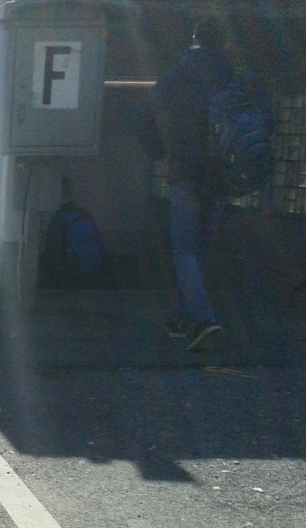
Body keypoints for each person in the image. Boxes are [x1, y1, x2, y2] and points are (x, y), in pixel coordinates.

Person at [147, 18, 231, 351]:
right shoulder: (234, 77)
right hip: (222, 176)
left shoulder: (175, 76)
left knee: (184, 252)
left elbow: (146, 117)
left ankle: (204, 320)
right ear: (223, 43)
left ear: (193, 40)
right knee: (200, 252)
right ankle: (182, 319)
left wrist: (160, 153)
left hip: (184, 174)